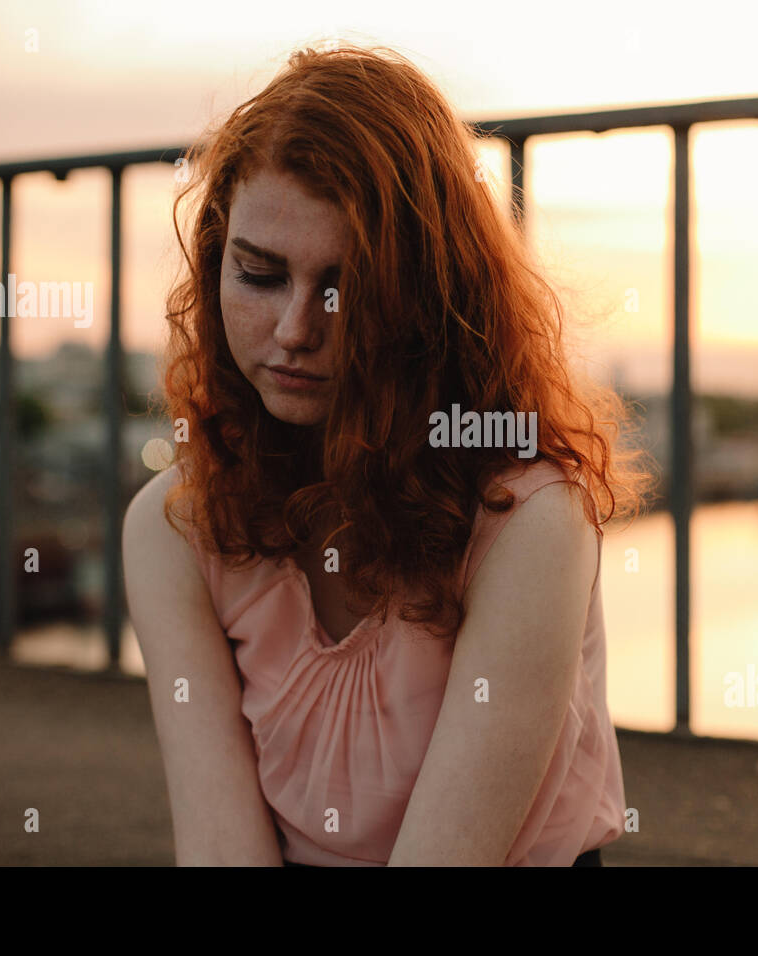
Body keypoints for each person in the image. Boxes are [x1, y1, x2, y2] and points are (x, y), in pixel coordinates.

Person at [122, 43, 651, 866]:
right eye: (259, 275)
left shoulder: (529, 519)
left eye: (346, 288)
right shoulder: (174, 526)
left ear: (431, 295)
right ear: (214, 262)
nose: (297, 330)